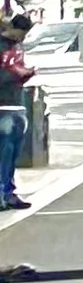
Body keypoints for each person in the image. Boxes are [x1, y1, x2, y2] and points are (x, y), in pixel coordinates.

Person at [0, 14, 32, 209]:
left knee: (12, 153)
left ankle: (9, 191)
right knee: (5, 151)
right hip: (3, 104)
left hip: (16, 102)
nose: (21, 38)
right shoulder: (3, 47)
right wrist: (15, 74)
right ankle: (4, 192)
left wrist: (23, 73)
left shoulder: (17, 48)